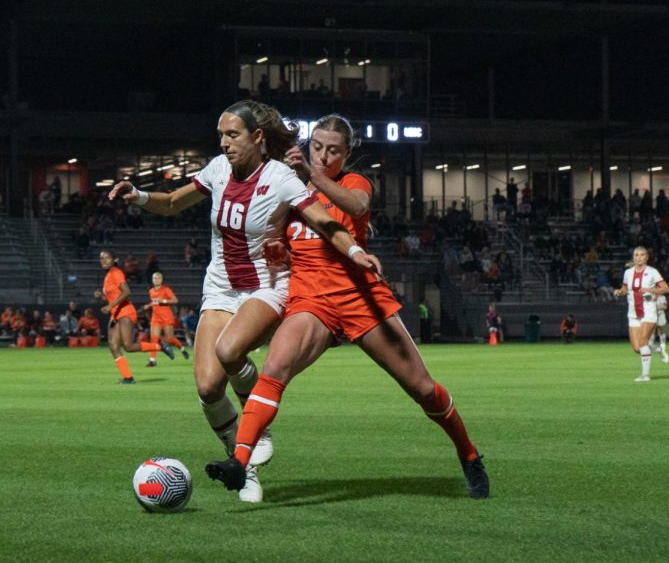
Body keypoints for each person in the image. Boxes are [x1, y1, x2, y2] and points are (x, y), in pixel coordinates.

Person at [202, 114, 489, 500]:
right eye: (316, 147)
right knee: (274, 368)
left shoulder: (353, 183)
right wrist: (278, 252)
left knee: (422, 388)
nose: (322, 155)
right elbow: (283, 243)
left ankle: (469, 454)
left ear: (347, 153)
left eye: (333, 150)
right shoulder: (289, 188)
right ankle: (240, 461)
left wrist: (312, 175)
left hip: (360, 298)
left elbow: (356, 207)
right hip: (310, 300)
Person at [109, 100, 375, 503]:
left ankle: (258, 425)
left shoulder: (282, 178)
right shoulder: (217, 169)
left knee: (230, 351)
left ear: (257, 137)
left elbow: (324, 221)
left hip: (267, 286)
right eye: (221, 135)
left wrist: (355, 252)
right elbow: (174, 201)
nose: (224, 142)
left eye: (232, 135)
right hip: (219, 287)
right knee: (207, 386)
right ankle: (244, 466)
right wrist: (140, 196)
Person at [94, 249, 175, 382]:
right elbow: (113, 296)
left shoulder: (116, 272)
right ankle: (128, 377)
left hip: (125, 311)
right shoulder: (108, 276)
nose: (103, 261)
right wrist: (101, 297)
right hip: (116, 314)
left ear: (114, 260)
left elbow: (126, 291)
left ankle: (160, 347)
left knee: (128, 346)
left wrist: (110, 306)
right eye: (101, 258)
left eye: (107, 258)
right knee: (113, 345)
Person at [613, 246, 669, 382]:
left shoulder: (652, 272)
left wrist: (650, 290)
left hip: (648, 311)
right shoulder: (628, 273)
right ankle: (658, 349)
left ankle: (645, 375)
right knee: (637, 348)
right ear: (633, 257)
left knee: (643, 342)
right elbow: (625, 288)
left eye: (642, 255)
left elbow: (666, 288)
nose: (639, 257)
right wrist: (619, 292)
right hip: (633, 312)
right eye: (636, 255)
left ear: (647, 257)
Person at [142, 271, 189, 366]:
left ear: (162, 280)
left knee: (170, 339)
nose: (156, 280)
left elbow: (175, 300)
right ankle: (152, 360)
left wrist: (165, 301)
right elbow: (155, 302)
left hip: (166, 317)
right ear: (152, 280)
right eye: (154, 278)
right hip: (155, 317)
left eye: (158, 278)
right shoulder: (151, 291)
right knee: (154, 338)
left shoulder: (166, 289)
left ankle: (182, 349)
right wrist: (148, 305)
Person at [651, 293, 669, 363]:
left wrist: (655, 308)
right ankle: (658, 349)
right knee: (650, 336)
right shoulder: (648, 295)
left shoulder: (662, 296)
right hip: (651, 316)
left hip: (660, 315)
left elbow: (665, 307)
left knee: (662, 333)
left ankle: (663, 350)